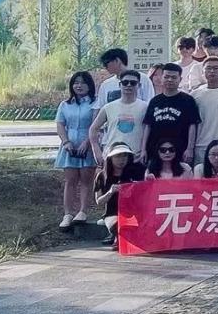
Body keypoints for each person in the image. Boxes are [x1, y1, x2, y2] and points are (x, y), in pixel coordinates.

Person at [55, 71, 98, 229]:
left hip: (88, 146)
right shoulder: (65, 104)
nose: (79, 86)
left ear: (89, 85)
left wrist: (88, 142)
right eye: (76, 82)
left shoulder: (95, 103)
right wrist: (66, 142)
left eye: (83, 82)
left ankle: (82, 212)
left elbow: (96, 125)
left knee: (86, 180)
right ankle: (67, 214)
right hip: (70, 147)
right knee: (70, 181)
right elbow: (60, 124)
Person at [141, 63, 200, 167]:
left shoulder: (188, 100)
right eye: (166, 77)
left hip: (180, 149)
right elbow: (148, 126)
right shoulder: (155, 101)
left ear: (180, 79)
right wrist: (143, 149)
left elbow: (192, 125)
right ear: (162, 78)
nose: (170, 80)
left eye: (173, 77)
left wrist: (190, 149)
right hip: (155, 149)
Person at [88, 68, 149, 159]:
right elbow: (93, 129)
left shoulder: (146, 107)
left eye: (133, 83)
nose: (128, 85)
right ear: (120, 85)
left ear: (139, 85)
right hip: (112, 157)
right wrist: (96, 151)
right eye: (125, 82)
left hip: (136, 157)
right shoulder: (108, 107)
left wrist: (145, 150)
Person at [93, 143, 145, 248]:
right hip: (112, 213)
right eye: (118, 156)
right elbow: (99, 201)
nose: (122, 160)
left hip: (133, 212)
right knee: (119, 225)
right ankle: (118, 238)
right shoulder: (102, 176)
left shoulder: (136, 173)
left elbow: (146, 192)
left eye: (125, 156)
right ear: (110, 158)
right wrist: (110, 192)